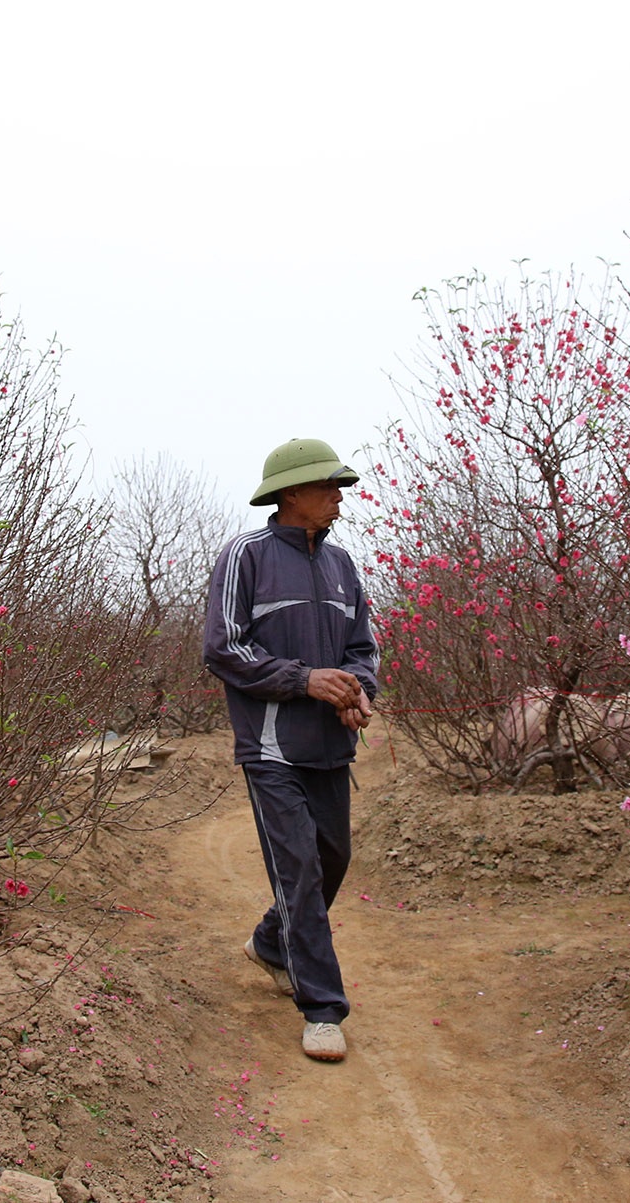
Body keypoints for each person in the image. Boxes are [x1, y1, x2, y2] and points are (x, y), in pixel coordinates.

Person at [202, 438, 378, 1062]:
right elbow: (223, 647)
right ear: (292, 493)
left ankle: (272, 943)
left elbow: (364, 650)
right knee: (299, 867)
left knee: (331, 862)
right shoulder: (244, 556)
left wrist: (358, 692)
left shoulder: (343, 566)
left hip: (332, 745)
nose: (339, 497)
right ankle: (323, 1008)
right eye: (329, 486)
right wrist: (305, 679)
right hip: (271, 749)